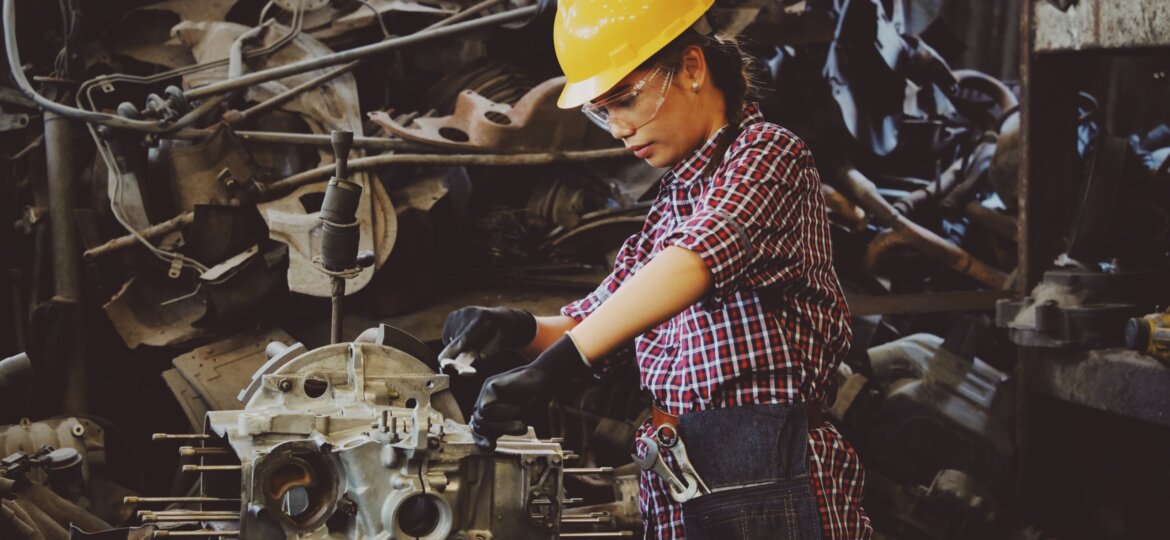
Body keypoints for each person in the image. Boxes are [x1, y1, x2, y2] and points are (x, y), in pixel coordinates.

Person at [440, 1, 872, 538]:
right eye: (602, 112)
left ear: (692, 68)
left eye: (625, 100)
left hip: (766, 473)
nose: (617, 129)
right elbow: (598, 320)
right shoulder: (671, 203)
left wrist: (553, 369)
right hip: (680, 472)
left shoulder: (769, 156)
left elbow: (693, 263)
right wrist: (513, 327)